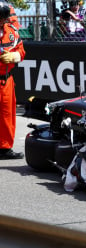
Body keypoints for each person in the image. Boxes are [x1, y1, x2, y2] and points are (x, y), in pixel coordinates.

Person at [0, 2, 26, 160]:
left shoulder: (12, 32)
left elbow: (21, 51)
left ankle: (4, 148)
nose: (1, 21)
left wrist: (15, 57)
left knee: (7, 115)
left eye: (3, 18)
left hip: (6, 80)